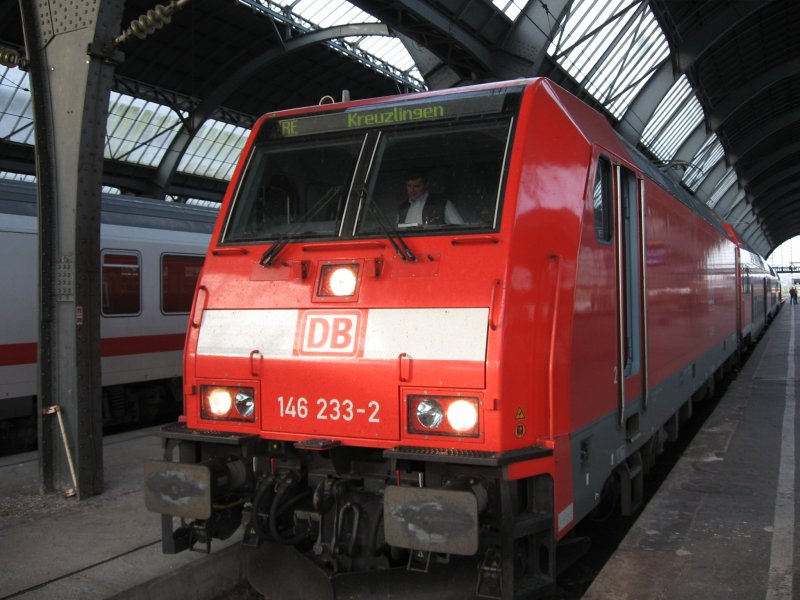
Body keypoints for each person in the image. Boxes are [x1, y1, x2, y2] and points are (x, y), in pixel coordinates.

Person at [398, 170, 464, 226]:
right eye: (409, 186)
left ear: (426, 185)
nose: (412, 190)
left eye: (416, 186)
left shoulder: (441, 204)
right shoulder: (402, 208)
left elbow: (461, 229)